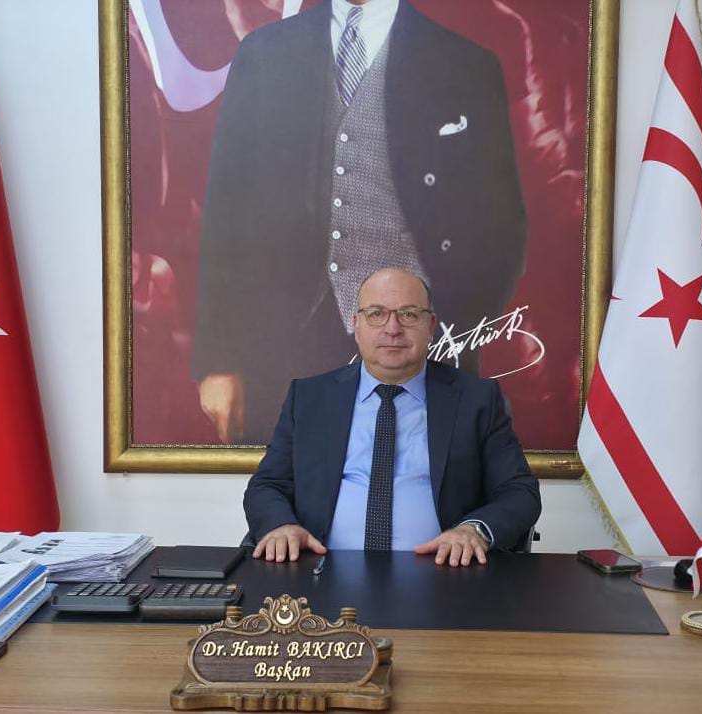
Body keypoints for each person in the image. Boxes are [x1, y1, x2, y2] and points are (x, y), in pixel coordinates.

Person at [192, 0, 526, 444]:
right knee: (294, 486)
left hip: (419, 351)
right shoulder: (262, 53)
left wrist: (447, 331)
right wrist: (219, 360)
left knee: (413, 484)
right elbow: (226, 216)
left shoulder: (466, 64)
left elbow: (500, 227)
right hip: (283, 348)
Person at [243, 268, 541, 567]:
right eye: (377, 314)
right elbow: (267, 485)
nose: (393, 329)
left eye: (409, 314)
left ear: (430, 325)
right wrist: (281, 526)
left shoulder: (477, 399)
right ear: (356, 325)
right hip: (321, 573)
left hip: (444, 575)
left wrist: (473, 530)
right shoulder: (309, 398)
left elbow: (519, 491)